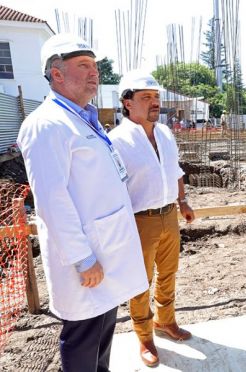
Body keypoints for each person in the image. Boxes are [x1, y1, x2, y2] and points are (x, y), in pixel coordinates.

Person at [17, 33, 148, 372]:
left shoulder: (82, 118)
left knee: (103, 331)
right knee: (83, 338)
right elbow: (51, 200)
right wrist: (82, 258)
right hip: (87, 258)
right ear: (56, 73)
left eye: (94, 65)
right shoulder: (46, 125)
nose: (95, 73)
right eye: (83, 65)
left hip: (105, 251)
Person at [109, 70, 196, 367]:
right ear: (127, 102)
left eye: (156, 97)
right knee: (139, 282)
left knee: (168, 274)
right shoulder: (116, 141)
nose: (154, 102)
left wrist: (182, 200)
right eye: (146, 97)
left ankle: (166, 321)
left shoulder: (165, 133)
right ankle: (145, 336)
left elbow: (175, 171)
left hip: (168, 215)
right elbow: (112, 187)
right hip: (138, 221)